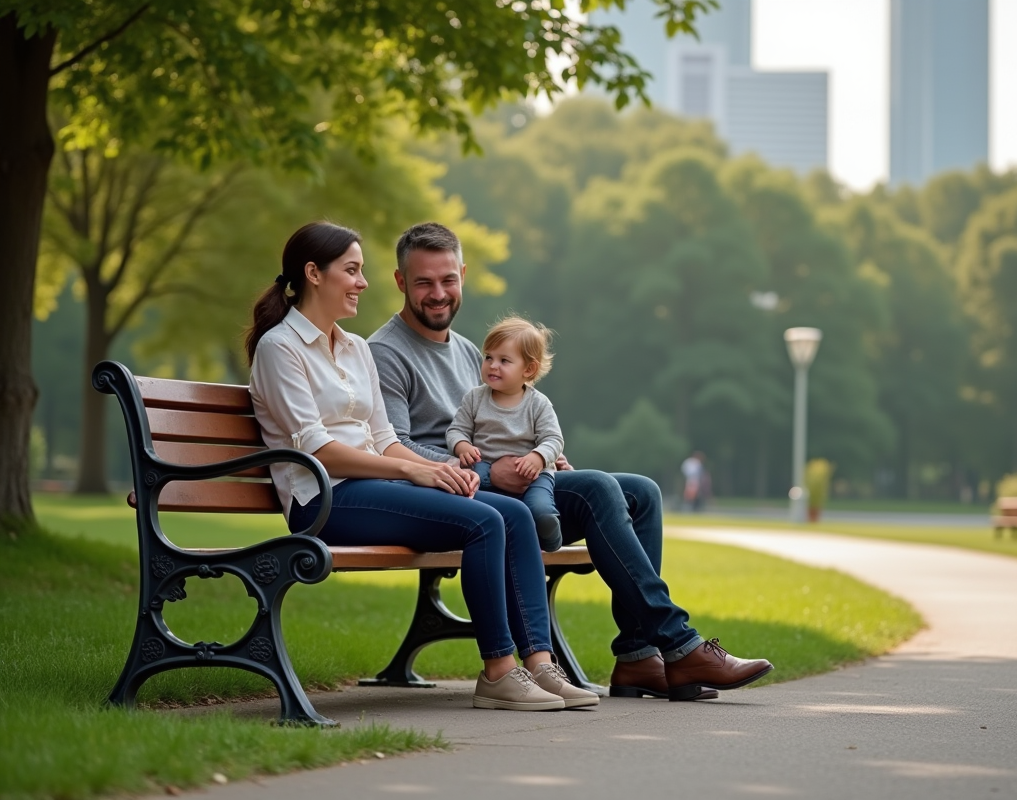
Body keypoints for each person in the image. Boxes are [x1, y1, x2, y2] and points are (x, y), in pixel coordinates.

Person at [368, 222, 774, 701]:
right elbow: (393, 446)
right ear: (401, 282)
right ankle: (680, 644)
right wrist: (484, 470)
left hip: (513, 482)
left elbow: (503, 418)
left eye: (448, 279)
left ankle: (639, 656)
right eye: (424, 282)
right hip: (457, 495)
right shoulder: (385, 352)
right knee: (598, 488)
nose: (438, 293)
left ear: (463, 275)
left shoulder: (469, 351)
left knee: (641, 492)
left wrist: (544, 454)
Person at [245, 221, 598, 711]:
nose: (363, 282)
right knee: (483, 522)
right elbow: (317, 449)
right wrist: (414, 472)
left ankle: (540, 664)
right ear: (314, 274)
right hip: (323, 498)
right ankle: (499, 671)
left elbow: (385, 440)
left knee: (514, 514)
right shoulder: (279, 347)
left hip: (373, 488)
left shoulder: (354, 348)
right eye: (352, 270)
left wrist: (442, 469)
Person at [447, 316, 565, 553]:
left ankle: (550, 536)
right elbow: (456, 430)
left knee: (540, 508)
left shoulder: (538, 404)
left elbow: (553, 439)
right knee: (470, 489)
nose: (492, 365)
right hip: (484, 466)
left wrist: (538, 457)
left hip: (533, 475)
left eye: (504, 360)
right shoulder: (475, 398)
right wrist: (462, 446)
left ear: (528, 369)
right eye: (488, 357)